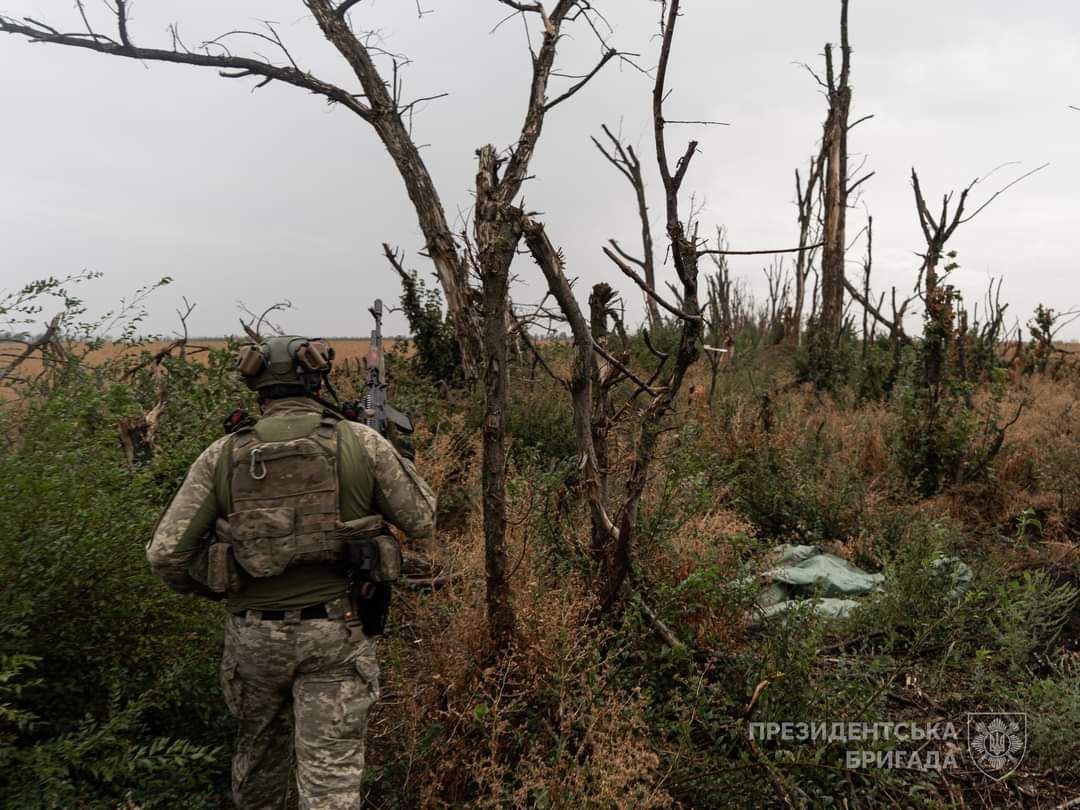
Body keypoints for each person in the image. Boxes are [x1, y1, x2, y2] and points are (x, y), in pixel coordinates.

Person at [147, 335, 436, 810]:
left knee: (258, 762)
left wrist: (225, 584)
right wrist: (394, 449)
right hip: (336, 634)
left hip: (253, 640)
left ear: (256, 385)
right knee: (330, 779)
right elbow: (421, 519)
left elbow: (165, 554)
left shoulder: (220, 454)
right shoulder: (359, 441)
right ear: (317, 379)